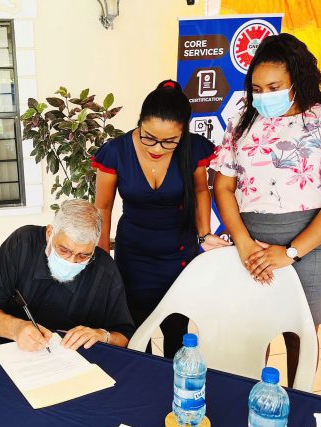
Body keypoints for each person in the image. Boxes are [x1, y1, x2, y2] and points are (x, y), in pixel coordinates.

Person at [212, 33, 321, 386]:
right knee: (252, 336)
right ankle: (253, 406)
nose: (264, 97)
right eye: (257, 88)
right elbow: (223, 186)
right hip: (249, 244)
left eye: (274, 86)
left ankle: (298, 408)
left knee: (301, 336)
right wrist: (242, 242)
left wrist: (293, 252)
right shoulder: (243, 121)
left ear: (297, 80)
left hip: (309, 248)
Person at [0, 200, 135, 391]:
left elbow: (123, 335)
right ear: (50, 232)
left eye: (83, 255)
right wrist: (16, 329)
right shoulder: (22, 243)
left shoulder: (105, 270)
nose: (72, 261)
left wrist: (102, 335)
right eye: (64, 250)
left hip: (63, 366)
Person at [93, 80, 229, 359]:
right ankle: (142, 389)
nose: (156, 147)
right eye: (149, 137)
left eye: (169, 141)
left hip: (178, 252)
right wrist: (102, 256)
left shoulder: (193, 149)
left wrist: (204, 235)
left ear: (183, 133)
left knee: (177, 330)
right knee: (134, 330)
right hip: (134, 255)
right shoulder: (116, 152)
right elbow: (103, 207)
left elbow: (203, 190)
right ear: (140, 122)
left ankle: (174, 390)